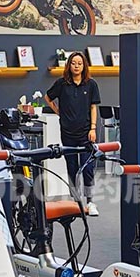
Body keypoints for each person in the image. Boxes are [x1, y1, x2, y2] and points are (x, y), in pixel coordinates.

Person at [45, 51, 101, 216]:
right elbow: (48, 97)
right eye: (73, 63)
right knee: (72, 167)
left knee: (87, 167)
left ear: (84, 66)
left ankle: (90, 201)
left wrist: (93, 128)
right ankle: (76, 201)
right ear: (69, 65)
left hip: (86, 133)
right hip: (67, 133)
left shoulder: (91, 84)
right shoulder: (62, 84)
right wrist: (59, 112)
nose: (76, 66)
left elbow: (93, 107)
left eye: (80, 63)